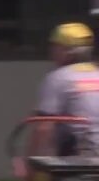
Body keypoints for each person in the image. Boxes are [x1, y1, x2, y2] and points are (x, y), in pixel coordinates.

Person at [35, 22, 99, 155]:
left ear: (68, 51)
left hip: (82, 159)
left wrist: (30, 165)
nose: (51, 52)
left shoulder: (58, 77)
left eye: (55, 47)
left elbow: (44, 128)